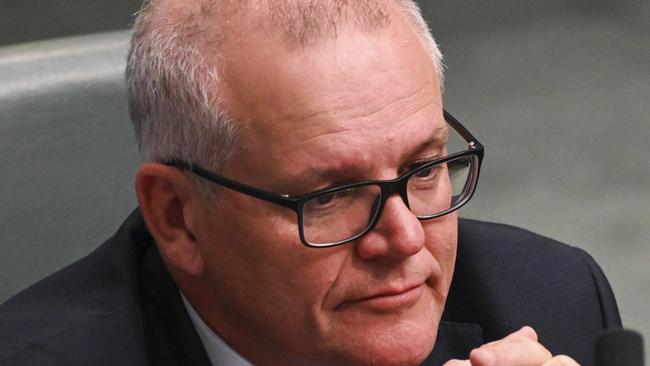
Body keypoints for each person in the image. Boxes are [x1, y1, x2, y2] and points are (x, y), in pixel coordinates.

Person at [0, 0, 621, 365]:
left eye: (424, 169)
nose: (405, 240)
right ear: (178, 218)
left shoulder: (550, 299)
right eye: (328, 196)